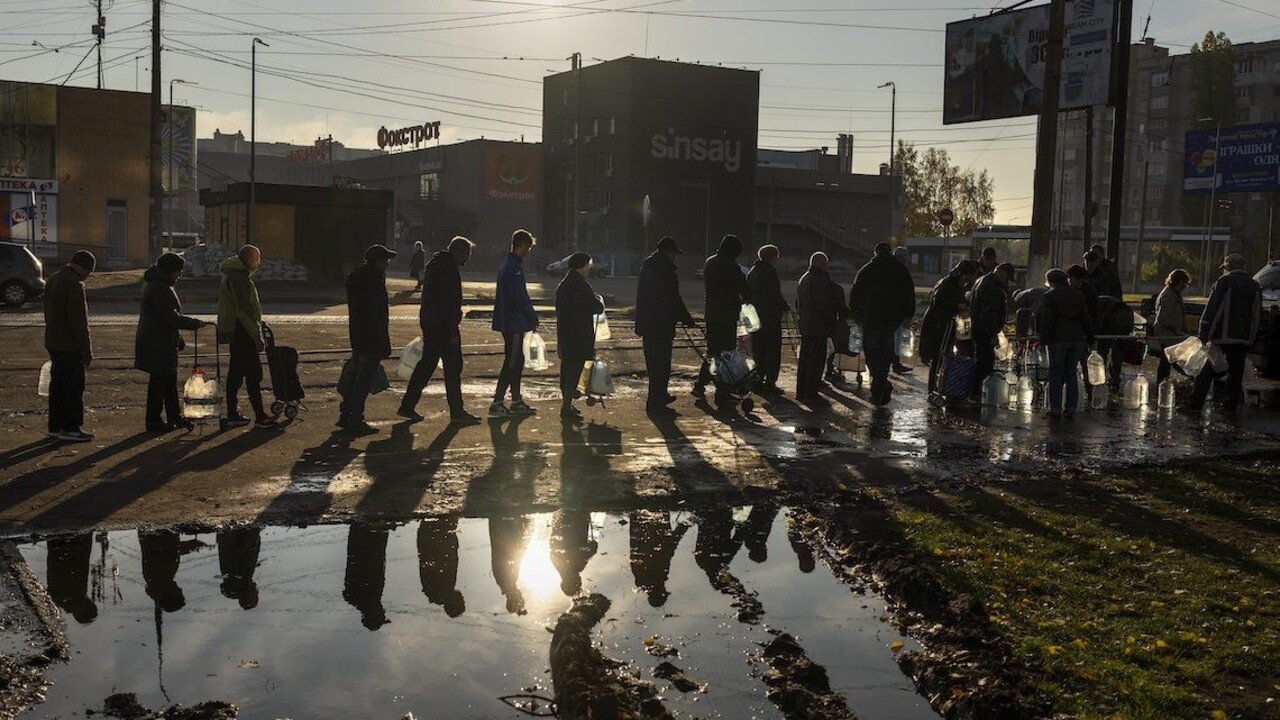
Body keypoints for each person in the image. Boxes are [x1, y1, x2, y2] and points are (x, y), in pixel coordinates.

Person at [399, 236, 481, 425]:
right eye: (467, 253)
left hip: (431, 324)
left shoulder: (435, 265)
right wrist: (452, 331)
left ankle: (407, 405)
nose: (468, 258)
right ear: (458, 252)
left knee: (426, 365)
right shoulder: (448, 269)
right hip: (443, 327)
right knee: (453, 368)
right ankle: (457, 411)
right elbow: (447, 303)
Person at [135, 252, 211, 433]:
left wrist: (178, 339)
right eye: (179, 271)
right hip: (157, 343)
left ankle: (173, 416)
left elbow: (166, 319)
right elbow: (170, 317)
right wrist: (194, 323)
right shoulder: (160, 288)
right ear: (171, 270)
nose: (180, 275)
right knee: (160, 383)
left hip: (160, 341)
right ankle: (154, 421)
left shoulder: (157, 285)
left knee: (167, 382)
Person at [1183, 253, 1263, 413]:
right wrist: (1251, 339)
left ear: (1230, 266)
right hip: (1243, 338)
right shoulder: (1254, 286)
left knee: (1207, 370)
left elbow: (1212, 308)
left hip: (1221, 337)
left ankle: (1194, 404)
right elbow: (1256, 315)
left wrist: (1203, 332)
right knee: (1235, 373)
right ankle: (1231, 405)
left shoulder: (1224, 282)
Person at [217, 245, 278, 430]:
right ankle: (260, 416)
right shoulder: (239, 279)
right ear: (250, 260)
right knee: (254, 374)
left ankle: (232, 414)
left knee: (236, 374)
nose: (258, 263)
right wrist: (256, 335)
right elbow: (243, 311)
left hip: (236, 330)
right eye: (257, 259)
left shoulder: (232, 275)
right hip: (242, 331)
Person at [849, 243, 916, 405]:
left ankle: (879, 383)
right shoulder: (900, 270)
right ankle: (881, 382)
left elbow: (855, 295)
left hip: (871, 319)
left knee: (872, 352)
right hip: (893, 320)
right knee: (887, 353)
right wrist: (908, 315)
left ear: (875, 252)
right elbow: (909, 293)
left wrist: (857, 316)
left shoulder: (866, 270)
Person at [338, 244, 396, 434]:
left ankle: (345, 415)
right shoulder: (374, 282)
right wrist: (383, 343)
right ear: (377, 261)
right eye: (385, 261)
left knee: (355, 378)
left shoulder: (358, 279)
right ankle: (356, 418)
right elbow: (378, 315)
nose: (387, 265)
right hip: (371, 338)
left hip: (358, 335)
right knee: (363, 381)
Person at [635, 236, 696, 415]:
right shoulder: (666, 272)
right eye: (674, 254)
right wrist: (687, 318)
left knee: (653, 364)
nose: (675, 257)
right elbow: (673, 299)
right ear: (669, 253)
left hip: (648, 324)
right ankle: (657, 402)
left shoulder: (647, 268)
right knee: (661, 365)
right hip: (661, 324)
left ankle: (658, 397)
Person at [43, 250, 96, 442]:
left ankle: (55, 427)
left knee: (57, 387)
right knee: (73, 389)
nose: (88, 276)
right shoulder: (73, 285)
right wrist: (86, 351)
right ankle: (71, 428)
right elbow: (79, 323)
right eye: (89, 271)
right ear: (84, 268)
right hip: (69, 345)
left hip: (53, 341)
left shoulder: (54, 279)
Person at [693, 234, 752, 406]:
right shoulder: (731, 266)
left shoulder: (710, 262)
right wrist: (747, 299)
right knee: (726, 354)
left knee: (713, 352)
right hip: (727, 316)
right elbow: (743, 288)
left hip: (711, 314)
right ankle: (723, 393)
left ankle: (700, 384)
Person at [490, 229, 540, 418]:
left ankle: (515, 400)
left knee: (516, 361)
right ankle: (498, 401)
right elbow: (519, 297)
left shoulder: (508, 265)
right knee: (512, 362)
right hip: (514, 323)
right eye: (528, 246)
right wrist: (532, 317)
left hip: (509, 321)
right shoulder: (514, 268)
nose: (528, 251)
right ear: (521, 245)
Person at [1036, 268, 1095, 417]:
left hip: (1057, 339)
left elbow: (1046, 321)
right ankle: (1071, 408)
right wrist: (1089, 338)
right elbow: (1086, 318)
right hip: (1077, 339)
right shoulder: (1078, 295)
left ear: (1051, 282)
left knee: (1055, 373)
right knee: (1071, 373)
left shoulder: (1049, 297)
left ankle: (1055, 408)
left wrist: (1042, 340)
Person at [554, 253, 605, 422]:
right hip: (580, 335)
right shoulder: (581, 285)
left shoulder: (563, 284)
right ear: (582, 267)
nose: (589, 269)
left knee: (566, 370)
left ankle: (566, 404)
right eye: (588, 266)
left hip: (565, 334)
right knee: (574, 372)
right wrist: (597, 299)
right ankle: (566, 407)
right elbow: (596, 307)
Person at [919, 259, 979, 395]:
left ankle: (939, 387)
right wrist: (956, 306)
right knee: (938, 357)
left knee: (944, 357)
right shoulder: (947, 283)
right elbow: (937, 300)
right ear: (963, 274)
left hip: (945, 325)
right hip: (938, 325)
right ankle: (932, 390)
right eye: (970, 276)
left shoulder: (957, 284)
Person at [795, 252, 842, 404]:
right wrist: (831, 321)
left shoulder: (805, 278)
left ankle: (801, 392)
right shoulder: (819, 281)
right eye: (826, 263)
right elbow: (823, 305)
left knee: (805, 360)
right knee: (816, 361)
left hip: (806, 325)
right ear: (822, 264)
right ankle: (811, 392)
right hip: (818, 326)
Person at [746, 244, 789, 394]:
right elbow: (774, 295)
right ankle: (770, 382)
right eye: (776, 256)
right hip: (769, 317)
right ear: (772, 257)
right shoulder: (770, 273)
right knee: (772, 349)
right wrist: (785, 306)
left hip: (754, 318)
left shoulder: (752, 271)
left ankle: (757, 380)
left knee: (758, 350)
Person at [968, 262, 1014, 393]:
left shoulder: (982, 281)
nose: (1007, 282)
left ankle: (976, 391)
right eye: (1007, 278)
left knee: (980, 360)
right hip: (985, 331)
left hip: (978, 328)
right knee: (985, 363)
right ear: (1001, 272)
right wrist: (992, 334)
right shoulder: (992, 287)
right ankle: (980, 392)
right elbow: (990, 313)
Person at [1151, 269, 1190, 386]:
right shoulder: (1168, 296)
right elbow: (1163, 319)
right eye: (1184, 283)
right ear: (1178, 282)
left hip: (1171, 334)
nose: (1185, 286)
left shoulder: (1175, 294)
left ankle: (1163, 382)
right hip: (1166, 334)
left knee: (1168, 360)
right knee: (1168, 360)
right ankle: (1162, 383)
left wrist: (1184, 330)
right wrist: (1177, 330)